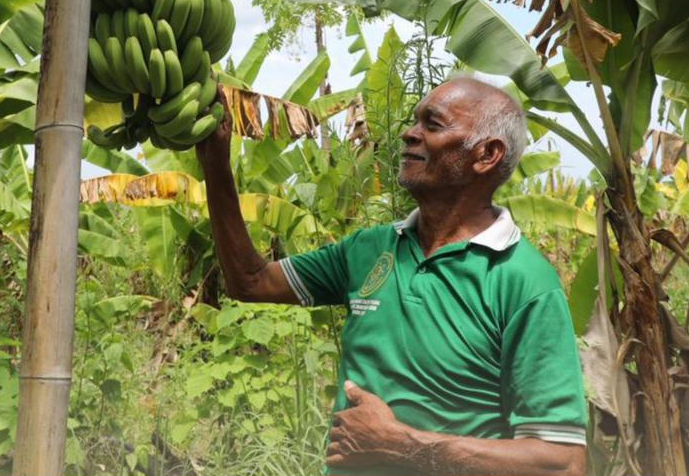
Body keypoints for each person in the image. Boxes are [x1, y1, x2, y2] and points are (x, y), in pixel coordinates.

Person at [196, 77, 587, 476]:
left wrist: (402, 445)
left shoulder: (523, 282)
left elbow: (563, 464)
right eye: (415, 121)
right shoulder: (369, 250)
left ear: (486, 155)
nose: (408, 134)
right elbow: (251, 281)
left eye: (432, 125)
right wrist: (216, 164)